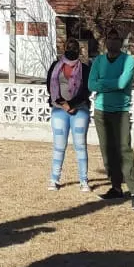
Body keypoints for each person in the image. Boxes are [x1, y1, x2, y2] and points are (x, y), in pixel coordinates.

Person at [89, 29, 134, 210]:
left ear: (121, 42)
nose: (112, 41)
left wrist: (103, 83)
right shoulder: (98, 61)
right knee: (108, 151)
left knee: (124, 150)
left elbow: (122, 84)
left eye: (116, 39)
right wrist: (110, 83)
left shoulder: (128, 61)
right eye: (110, 38)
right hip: (101, 111)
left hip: (121, 111)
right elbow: (90, 84)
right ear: (106, 41)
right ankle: (116, 187)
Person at [45, 39, 92, 194]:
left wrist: (72, 104)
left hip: (80, 110)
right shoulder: (55, 66)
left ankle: (83, 180)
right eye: (69, 47)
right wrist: (64, 104)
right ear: (64, 48)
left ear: (79, 50)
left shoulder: (84, 69)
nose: (71, 50)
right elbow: (50, 87)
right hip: (59, 110)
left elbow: (86, 90)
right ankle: (54, 179)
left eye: (74, 47)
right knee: (59, 146)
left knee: (80, 145)